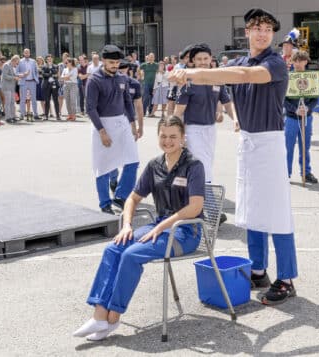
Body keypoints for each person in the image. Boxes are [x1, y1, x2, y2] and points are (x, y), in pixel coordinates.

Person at [169, 8, 298, 305]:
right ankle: (258, 269)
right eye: (257, 28)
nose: (262, 33)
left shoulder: (275, 63)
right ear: (247, 32)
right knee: (252, 209)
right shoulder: (240, 60)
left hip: (269, 141)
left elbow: (241, 75)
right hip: (249, 142)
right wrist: (186, 75)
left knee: (277, 213)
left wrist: (190, 72)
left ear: (273, 34)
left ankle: (287, 278)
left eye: (268, 29)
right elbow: (228, 73)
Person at [73, 116, 205, 341]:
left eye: (173, 136)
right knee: (114, 248)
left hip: (185, 232)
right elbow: (132, 198)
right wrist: (126, 225)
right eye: (163, 136)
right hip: (158, 227)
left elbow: (195, 207)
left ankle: (112, 318)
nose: (168, 141)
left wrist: (163, 226)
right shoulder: (155, 165)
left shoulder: (194, 166)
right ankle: (99, 316)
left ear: (183, 138)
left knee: (131, 255)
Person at [174, 43, 236, 224]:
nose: (203, 62)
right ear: (192, 62)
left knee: (203, 167)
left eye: (206, 59)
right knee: (203, 168)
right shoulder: (188, 82)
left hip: (210, 130)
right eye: (199, 59)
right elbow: (178, 112)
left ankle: (191, 206)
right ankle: (211, 209)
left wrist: (236, 119)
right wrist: (179, 135)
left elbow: (227, 103)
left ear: (211, 60)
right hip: (192, 130)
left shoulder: (217, 80)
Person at [86, 45, 139, 214]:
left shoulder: (121, 78)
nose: (115, 65)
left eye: (117, 62)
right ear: (103, 61)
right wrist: (102, 131)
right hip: (103, 125)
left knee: (133, 160)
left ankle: (121, 196)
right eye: (111, 62)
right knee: (103, 166)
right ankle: (104, 204)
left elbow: (128, 103)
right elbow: (90, 108)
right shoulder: (94, 80)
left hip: (122, 123)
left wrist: (133, 124)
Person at [107, 60, 146, 200]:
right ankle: (113, 179)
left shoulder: (134, 84)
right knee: (113, 157)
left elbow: (139, 106)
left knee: (131, 159)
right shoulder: (109, 82)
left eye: (123, 70)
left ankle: (122, 194)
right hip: (112, 124)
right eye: (119, 70)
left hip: (129, 126)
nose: (121, 72)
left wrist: (140, 126)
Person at [284, 51, 319, 184]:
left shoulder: (312, 77)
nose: (298, 63)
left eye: (301, 60)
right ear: (292, 62)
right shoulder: (288, 78)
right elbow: (283, 100)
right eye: (295, 61)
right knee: (288, 146)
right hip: (291, 118)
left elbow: (315, 98)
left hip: (307, 117)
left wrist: (308, 108)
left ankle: (306, 171)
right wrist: (295, 109)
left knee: (305, 146)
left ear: (306, 61)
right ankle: (286, 173)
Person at [16, 48, 40, 120]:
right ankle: (22, 115)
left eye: (28, 52)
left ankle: (36, 114)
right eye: (25, 53)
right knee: (23, 99)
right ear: (23, 53)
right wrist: (24, 74)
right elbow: (17, 73)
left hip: (32, 81)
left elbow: (36, 71)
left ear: (29, 53)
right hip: (24, 82)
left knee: (34, 99)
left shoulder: (33, 61)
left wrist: (36, 79)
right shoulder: (20, 61)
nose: (27, 54)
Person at [1, 55, 20, 123]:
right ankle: (8, 117)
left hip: (11, 87)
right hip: (6, 86)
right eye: (16, 63)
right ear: (13, 60)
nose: (17, 64)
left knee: (12, 102)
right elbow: (5, 76)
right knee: (8, 102)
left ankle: (13, 116)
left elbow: (13, 75)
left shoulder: (12, 66)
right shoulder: (6, 65)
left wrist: (18, 76)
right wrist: (14, 78)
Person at [41, 54, 60, 120]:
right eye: (48, 59)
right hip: (46, 86)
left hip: (54, 85)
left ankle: (58, 115)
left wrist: (50, 69)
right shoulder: (43, 66)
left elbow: (56, 72)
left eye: (50, 59)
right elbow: (44, 74)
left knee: (56, 101)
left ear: (52, 59)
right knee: (47, 101)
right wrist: (51, 74)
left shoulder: (56, 66)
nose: (49, 60)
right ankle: (46, 115)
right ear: (46, 60)